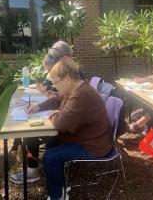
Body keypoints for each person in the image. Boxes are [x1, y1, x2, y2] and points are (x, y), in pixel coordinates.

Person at [11, 59, 112, 200]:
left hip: (93, 145)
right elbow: (57, 100)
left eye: (56, 83)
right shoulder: (76, 87)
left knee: (51, 156)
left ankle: (57, 196)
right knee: (51, 142)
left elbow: (60, 123)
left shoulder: (82, 95)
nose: (55, 86)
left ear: (68, 79)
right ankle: (59, 184)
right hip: (85, 137)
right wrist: (38, 107)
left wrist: (56, 115)